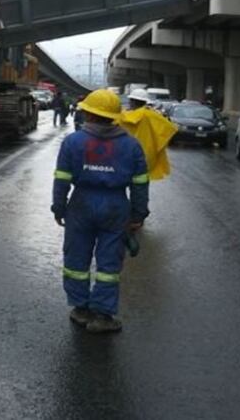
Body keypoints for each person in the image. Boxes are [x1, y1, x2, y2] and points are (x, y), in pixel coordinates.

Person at [52, 89, 149, 333]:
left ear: (89, 114)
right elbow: (140, 184)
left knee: (76, 259)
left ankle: (81, 309)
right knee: (108, 264)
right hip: (115, 207)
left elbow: (62, 179)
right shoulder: (131, 145)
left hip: (81, 204)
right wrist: (138, 215)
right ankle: (102, 316)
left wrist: (59, 207)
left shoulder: (73, 142)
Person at [119, 89, 177, 181]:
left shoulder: (123, 117)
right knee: (140, 189)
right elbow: (169, 129)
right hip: (144, 159)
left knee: (119, 190)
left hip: (124, 159)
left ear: (132, 101)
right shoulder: (151, 116)